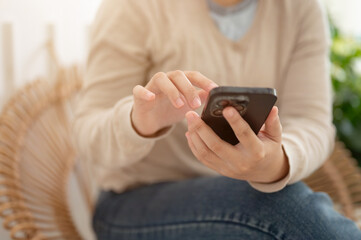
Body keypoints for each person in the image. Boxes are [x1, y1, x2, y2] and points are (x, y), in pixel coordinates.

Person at [73, 0, 361, 239]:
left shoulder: (301, 10)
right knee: (282, 208)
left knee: (276, 204)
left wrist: (275, 164)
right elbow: (86, 134)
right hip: (134, 204)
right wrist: (141, 121)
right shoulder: (135, 7)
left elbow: (313, 122)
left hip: (245, 194)